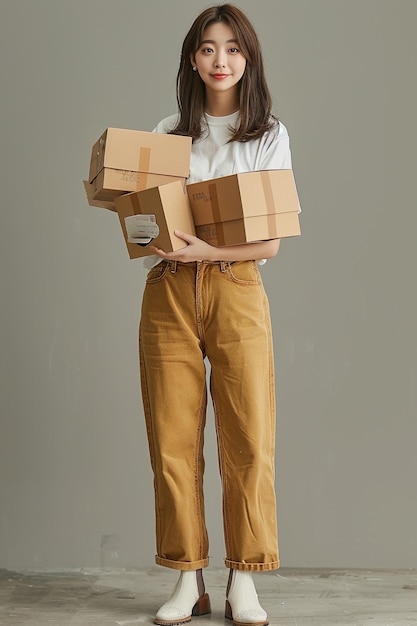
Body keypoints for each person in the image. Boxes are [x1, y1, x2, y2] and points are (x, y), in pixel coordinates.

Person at [139, 5, 297, 625]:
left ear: (248, 58)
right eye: (208, 49)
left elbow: (273, 241)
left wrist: (211, 250)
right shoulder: (169, 131)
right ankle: (187, 577)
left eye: (233, 48)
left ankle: (245, 580)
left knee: (249, 438)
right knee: (173, 440)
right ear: (193, 60)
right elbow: (150, 218)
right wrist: (149, 233)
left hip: (236, 287)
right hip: (170, 290)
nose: (221, 60)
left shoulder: (268, 135)